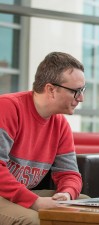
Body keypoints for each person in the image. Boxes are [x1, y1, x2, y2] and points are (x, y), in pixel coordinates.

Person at [0, 52, 85, 225]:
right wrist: (35, 202)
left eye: (82, 90)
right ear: (51, 89)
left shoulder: (60, 124)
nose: (81, 98)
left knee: (86, 205)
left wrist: (67, 194)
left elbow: (69, 174)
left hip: (20, 195)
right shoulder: (7, 108)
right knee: (33, 220)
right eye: (76, 91)